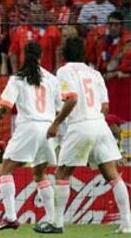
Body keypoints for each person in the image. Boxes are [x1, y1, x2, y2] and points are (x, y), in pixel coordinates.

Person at [36, 37, 131, 234]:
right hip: (100, 124)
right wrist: (95, 124)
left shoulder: (64, 71)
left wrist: (56, 123)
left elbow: (71, 100)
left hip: (80, 125)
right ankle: (127, 224)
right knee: (112, 175)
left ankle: (57, 223)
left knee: (62, 173)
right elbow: (105, 107)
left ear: (64, 54)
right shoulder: (95, 73)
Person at [0, 42, 60, 231]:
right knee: (40, 174)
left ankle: (11, 217)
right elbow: (60, 108)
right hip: (47, 129)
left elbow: (5, 105)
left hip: (28, 127)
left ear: (24, 55)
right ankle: (51, 219)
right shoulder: (52, 79)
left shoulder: (18, 78)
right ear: (41, 55)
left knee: (5, 170)